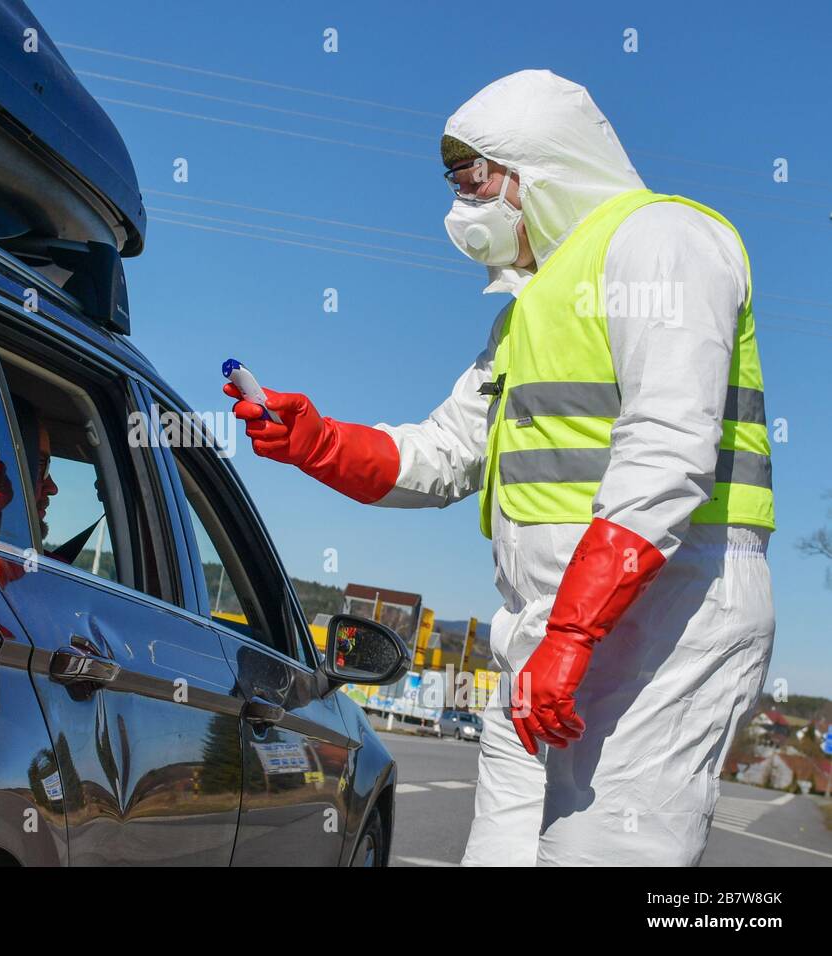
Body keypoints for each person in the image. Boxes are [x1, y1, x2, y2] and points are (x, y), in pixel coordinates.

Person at [224, 70, 774, 866]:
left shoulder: (663, 240)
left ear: (541, 169)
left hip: (665, 620)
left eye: (477, 183)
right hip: (548, 630)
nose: (464, 210)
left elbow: (667, 449)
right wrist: (316, 441)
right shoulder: (528, 312)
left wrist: (576, 632)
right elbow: (444, 454)